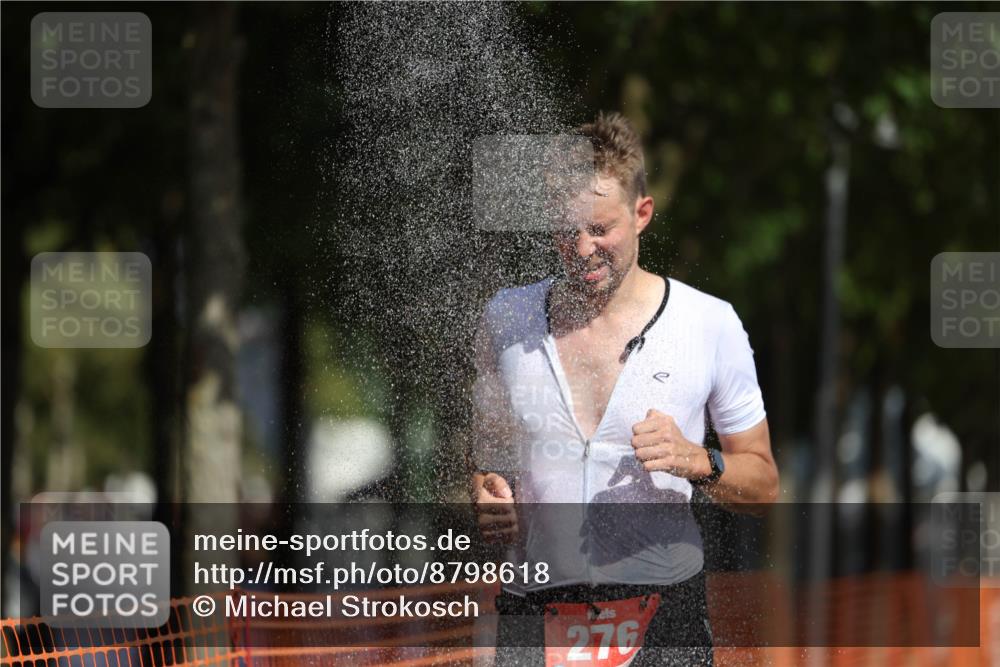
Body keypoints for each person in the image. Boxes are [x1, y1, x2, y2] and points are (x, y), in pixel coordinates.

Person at [468, 111, 779, 666]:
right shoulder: (506, 318)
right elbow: (488, 456)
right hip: (531, 611)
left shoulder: (709, 324)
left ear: (642, 214)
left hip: (663, 614)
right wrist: (484, 489)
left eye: (600, 229)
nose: (583, 249)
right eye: (567, 232)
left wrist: (698, 460)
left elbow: (763, 485)